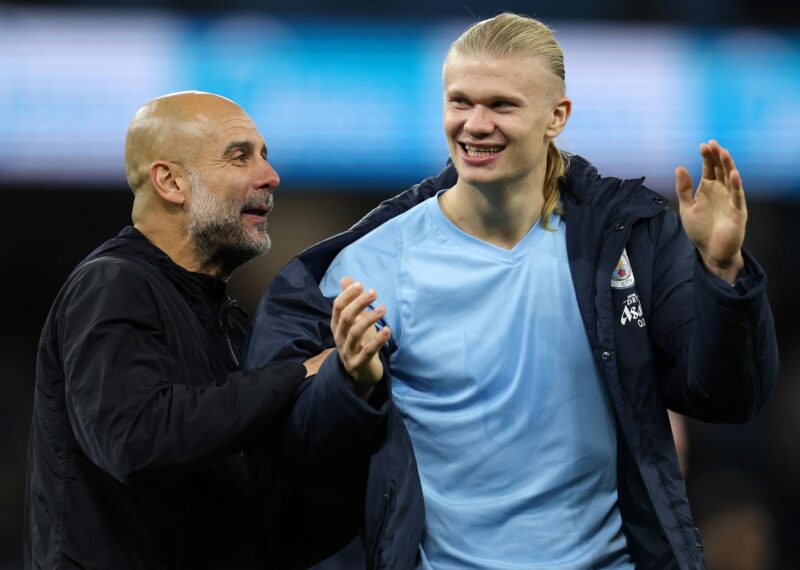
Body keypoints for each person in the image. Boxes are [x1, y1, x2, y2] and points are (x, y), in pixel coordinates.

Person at [244, 13, 779, 569]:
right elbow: (298, 467)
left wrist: (723, 272)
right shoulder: (370, 265)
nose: (475, 124)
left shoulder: (626, 243)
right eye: (460, 102)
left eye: (501, 105)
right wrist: (350, 383)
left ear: (557, 116)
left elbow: (725, 395)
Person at [24, 91, 331, 569]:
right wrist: (298, 375)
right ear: (170, 182)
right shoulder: (113, 284)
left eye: (264, 155)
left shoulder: (220, 317)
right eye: (240, 156)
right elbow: (133, 437)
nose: (270, 176)